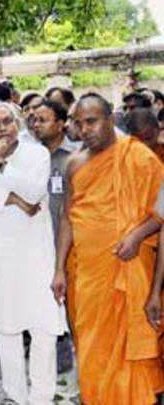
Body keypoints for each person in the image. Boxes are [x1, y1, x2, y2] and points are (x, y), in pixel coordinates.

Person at [52, 93, 164, 404]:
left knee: (131, 354)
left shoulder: (139, 158)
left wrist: (138, 235)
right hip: (88, 277)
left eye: (92, 121)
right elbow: (67, 219)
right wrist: (59, 268)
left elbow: (163, 211)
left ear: (110, 119)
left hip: (129, 272)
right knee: (92, 347)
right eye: (78, 123)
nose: (84, 129)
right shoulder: (74, 163)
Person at [0, 101, 66, 404]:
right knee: (5, 329)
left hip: (34, 254)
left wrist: (2, 168)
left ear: (18, 122)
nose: (2, 128)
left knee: (43, 327)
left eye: (7, 121)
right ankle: (16, 396)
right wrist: (11, 198)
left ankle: (42, 396)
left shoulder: (36, 153)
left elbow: (34, 191)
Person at [32, 98, 79, 373]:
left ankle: (80, 363)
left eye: (43, 119)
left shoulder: (76, 158)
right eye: (34, 119)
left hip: (70, 246)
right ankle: (56, 367)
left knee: (73, 307)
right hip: (36, 246)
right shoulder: (27, 157)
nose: (36, 124)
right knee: (46, 308)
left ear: (61, 124)